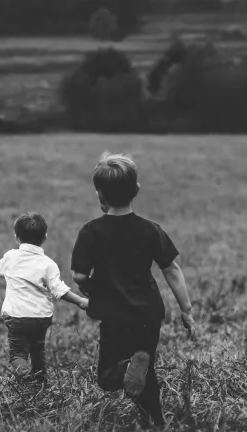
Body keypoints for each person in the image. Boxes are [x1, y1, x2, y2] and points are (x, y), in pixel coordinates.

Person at [71, 153, 196, 431]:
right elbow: (172, 270)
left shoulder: (91, 231)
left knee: (107, 377)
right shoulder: (151, 230)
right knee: (143, 372)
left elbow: (79, 275)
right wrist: (186, 310)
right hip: (148, 314)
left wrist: (91, 289)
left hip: (114, 315)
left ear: (99, 194)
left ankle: (130, 366)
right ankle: (154, 422)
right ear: (136, 190)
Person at [0, 212, 89, 384]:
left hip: (16, 316)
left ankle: (24, 376)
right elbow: (58, 289)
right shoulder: (48, 264)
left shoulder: (10, 257)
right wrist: (80, 300)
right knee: (38, 350)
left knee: (17, 353)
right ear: (44, 237)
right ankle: (41, 382)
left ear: (17, 237)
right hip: (41, 317)